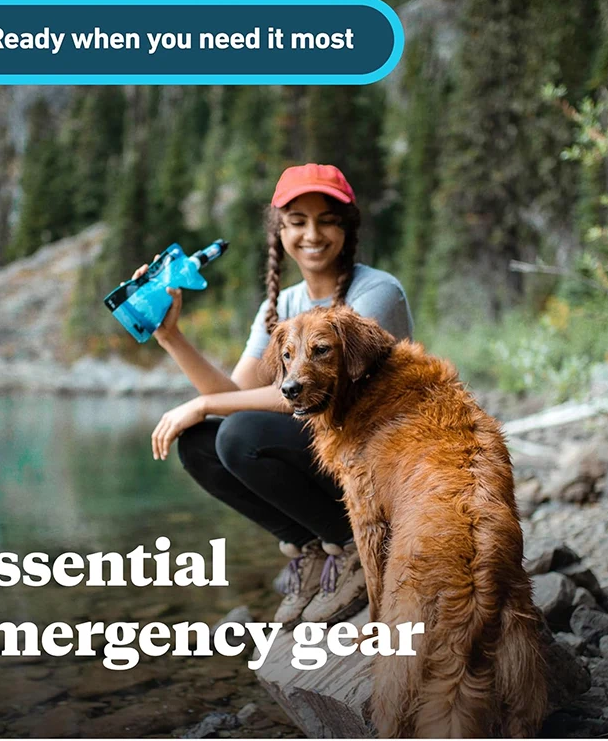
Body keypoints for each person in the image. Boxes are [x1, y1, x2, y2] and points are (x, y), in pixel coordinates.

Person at [132, 163, 413, 629]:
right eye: (297, 222)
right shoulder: (279, 306)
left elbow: (318, 395)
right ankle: (313, 550)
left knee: (239, 433)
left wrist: (203, 404)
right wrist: (170, 337)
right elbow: (237, 395)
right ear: (279, 232)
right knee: (201, 444)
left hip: (374, 465)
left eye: (327, 221)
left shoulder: (376, 292)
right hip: (328, 459)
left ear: (347, 229)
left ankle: (355, 549)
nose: (312, 235)